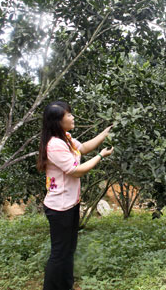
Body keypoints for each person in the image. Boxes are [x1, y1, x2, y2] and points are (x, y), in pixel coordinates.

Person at [37, 101, 114, 290]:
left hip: (70, 204)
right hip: (59, 207)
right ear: (57, 121)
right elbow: (76, 171)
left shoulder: (66, 137)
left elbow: (84, 147)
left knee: (68, 251)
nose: (72, 118)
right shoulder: (54, 145)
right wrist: (101, 156)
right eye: (68, 115)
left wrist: (106, 133)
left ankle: (66, 285)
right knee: (60, 253)